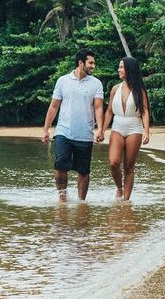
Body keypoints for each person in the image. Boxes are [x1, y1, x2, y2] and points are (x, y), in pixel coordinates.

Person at [42, 49, 105, 201]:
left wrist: (101, 129)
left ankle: (81, 203)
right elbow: (54, 106)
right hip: (63, 132)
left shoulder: (96, 84)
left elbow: (98, 108)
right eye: (90, 63)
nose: (93, 66)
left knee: (83, 171)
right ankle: (62, 198)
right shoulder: (62, 81)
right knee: (60, 166)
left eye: (93, 63)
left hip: (84, 134)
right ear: (80, 63)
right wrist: (46, 129)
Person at [100, 56, 151, 201]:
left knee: (128, 166)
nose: (119, 69)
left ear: (129, 69)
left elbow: (145, 111)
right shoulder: (115, 89)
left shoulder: (139, 90)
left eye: (121, 67)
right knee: (113, 162)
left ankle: (126, 201)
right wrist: (102, 130)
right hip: (117, 126)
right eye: (119, 67)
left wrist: (146, 131)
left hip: (134, 127)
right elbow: (109, 111)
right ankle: (119, 188)